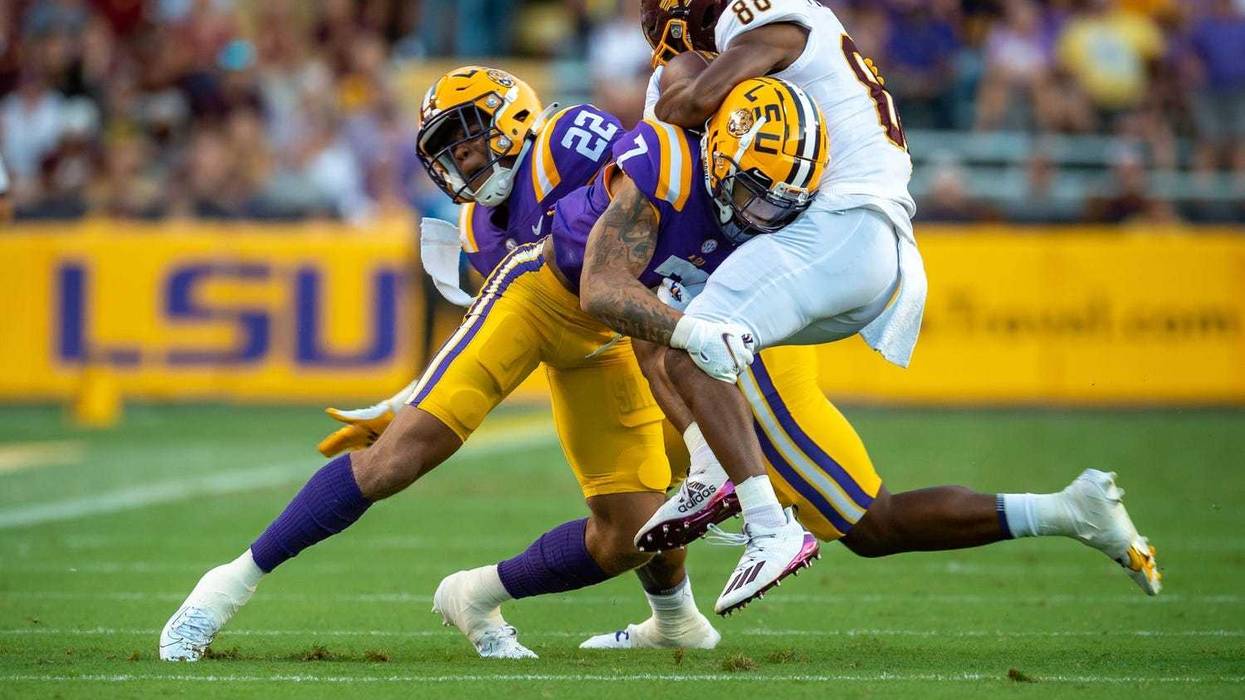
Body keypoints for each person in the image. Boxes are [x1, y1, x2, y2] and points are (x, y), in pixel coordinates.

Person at [158, 66, 720, 661]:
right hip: (537, 302)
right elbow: (500, 327)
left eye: (467, 139)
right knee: (396, 460)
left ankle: (489, 596)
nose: (459, 161)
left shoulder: (569, 140)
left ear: (512, 117)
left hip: (614, 337)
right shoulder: (478, 227)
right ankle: (222, 587)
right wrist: (415, 398)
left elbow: (655, 203)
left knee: (634, 532)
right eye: (445, 152)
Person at [626, 0, 927, 613]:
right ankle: (712, 469)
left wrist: (675, 88)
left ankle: (771, 527)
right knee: (669, 321)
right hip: (854, 238)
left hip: (844, 225)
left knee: (695, 343)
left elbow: (686, 105)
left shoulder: (765, 18)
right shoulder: (787, 29)